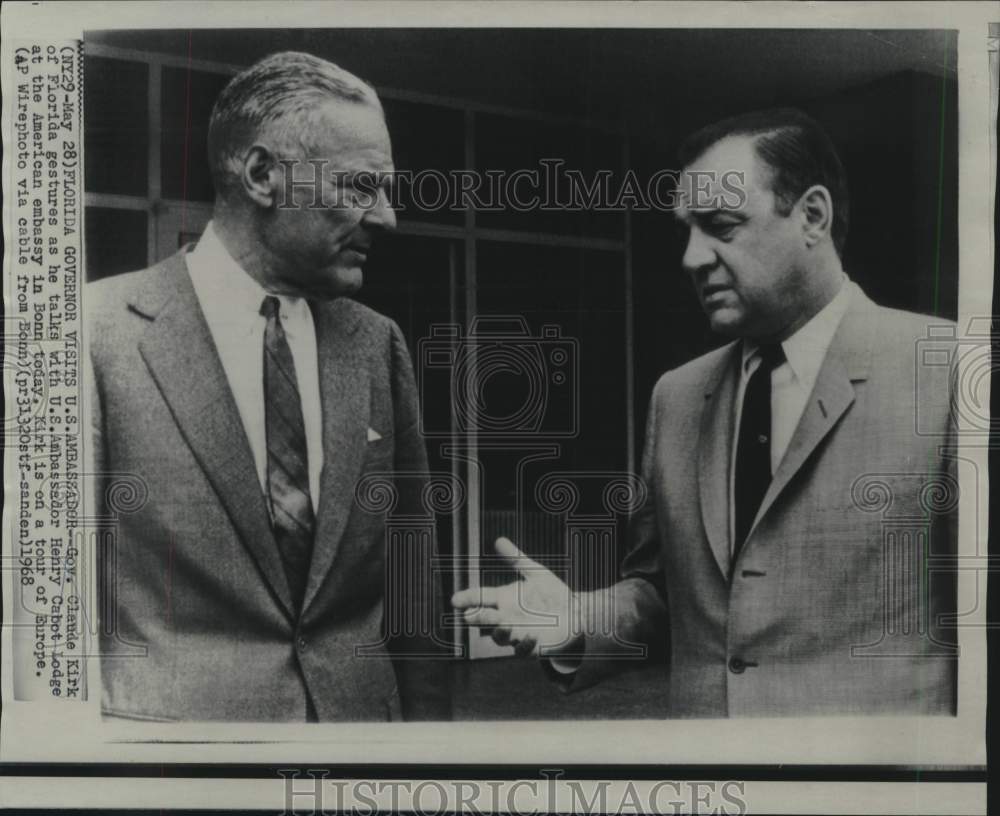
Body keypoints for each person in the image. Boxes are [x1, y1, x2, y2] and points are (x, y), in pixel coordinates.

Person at [453, 108, 957, 717]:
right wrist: (576, 621)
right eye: (686, 231)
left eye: (720, 225)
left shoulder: (948, 372)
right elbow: (669, 598)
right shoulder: (677, 396)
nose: (692, 257)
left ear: (812, 217)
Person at [88, 51, 451, 722]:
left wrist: (427, 758)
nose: (388, 218)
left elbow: (412, 591)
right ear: (262, 175)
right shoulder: (95, 336)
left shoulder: (377, 345)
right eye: (360, 187)